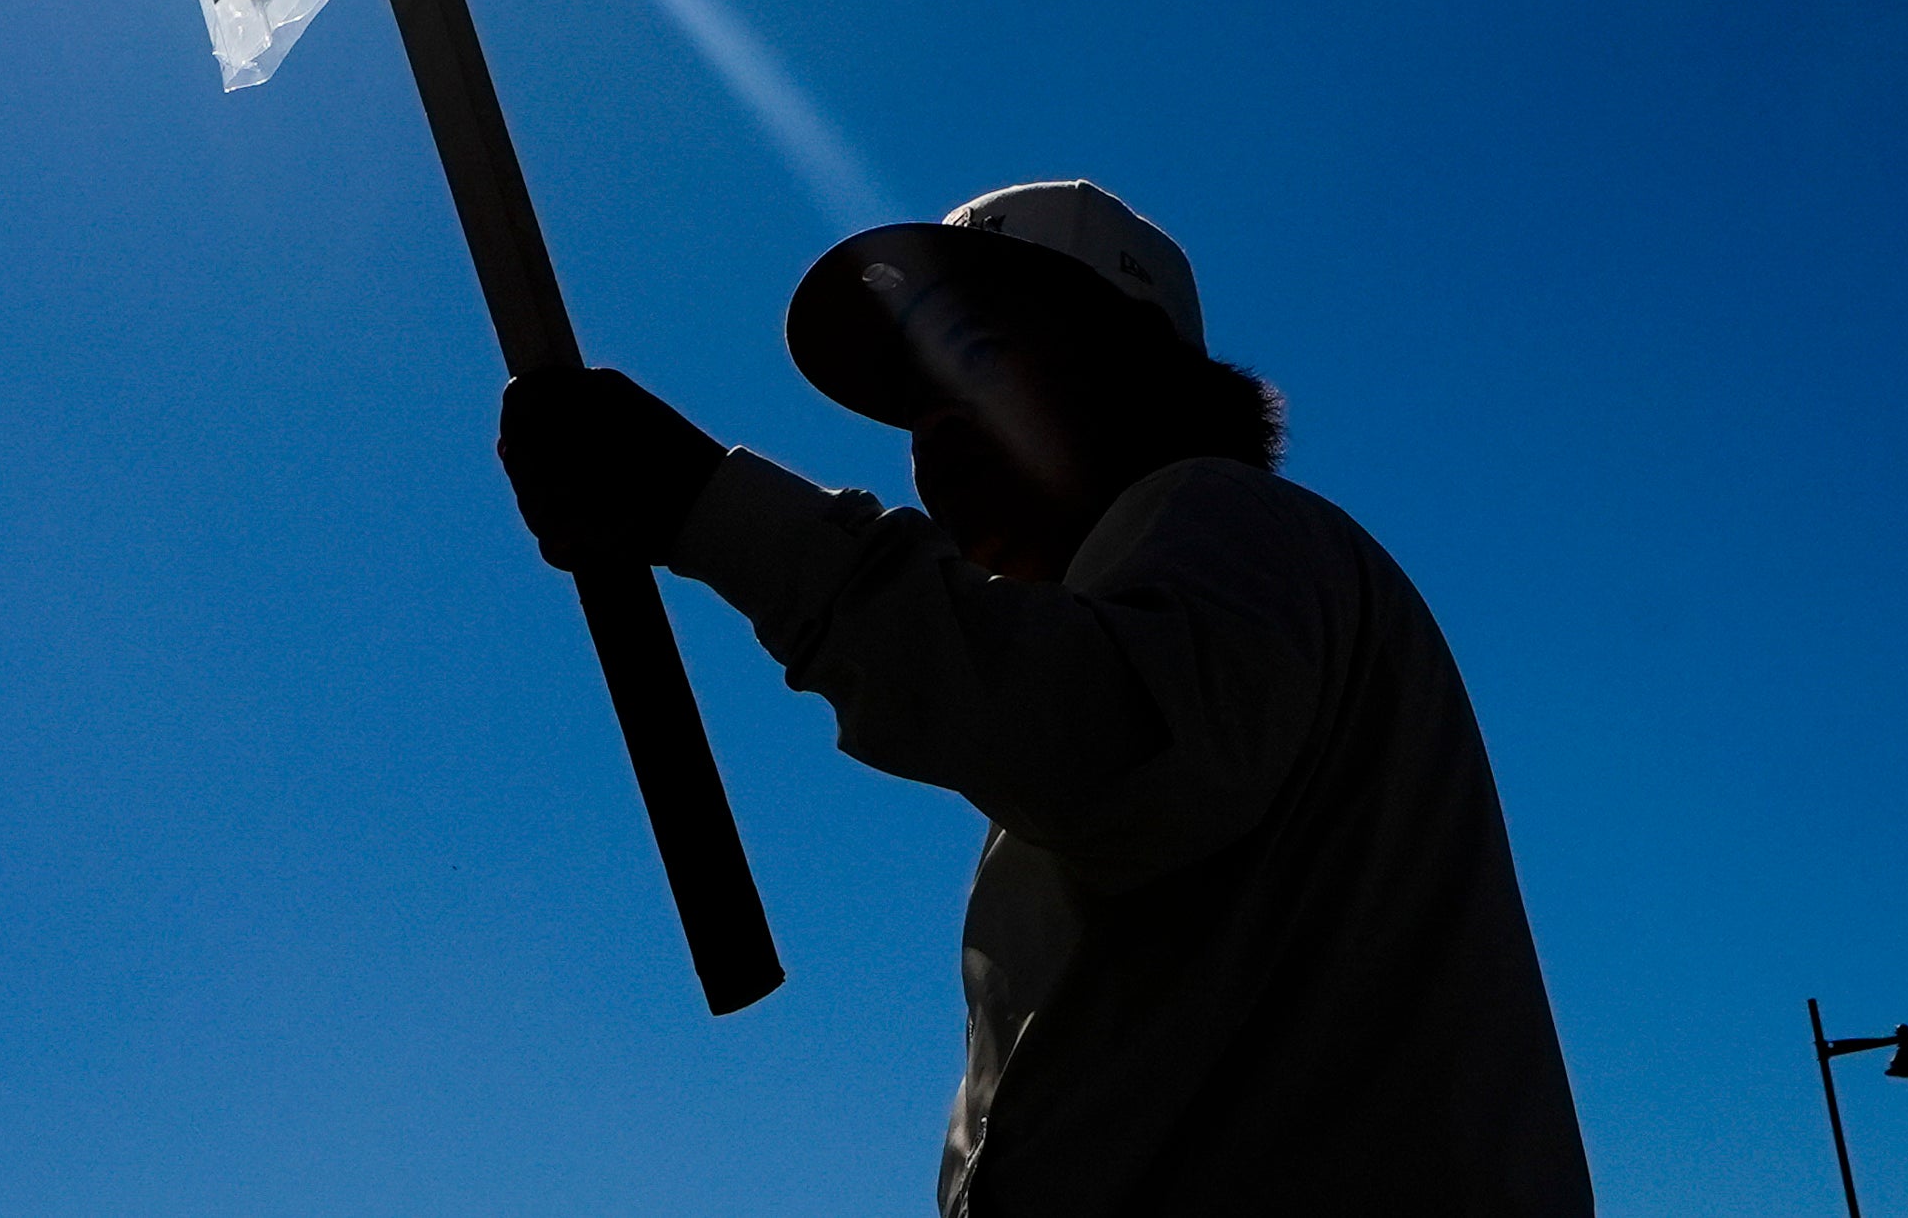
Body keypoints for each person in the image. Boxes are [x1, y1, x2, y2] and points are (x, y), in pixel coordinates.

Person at [497, 179, 1595, 1218]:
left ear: (1129, 366)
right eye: (914, 399)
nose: (930, 434)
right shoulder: (1201, 612)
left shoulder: (1223, 516)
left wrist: (700, 504)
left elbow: (1108, 742)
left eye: (976, 355)